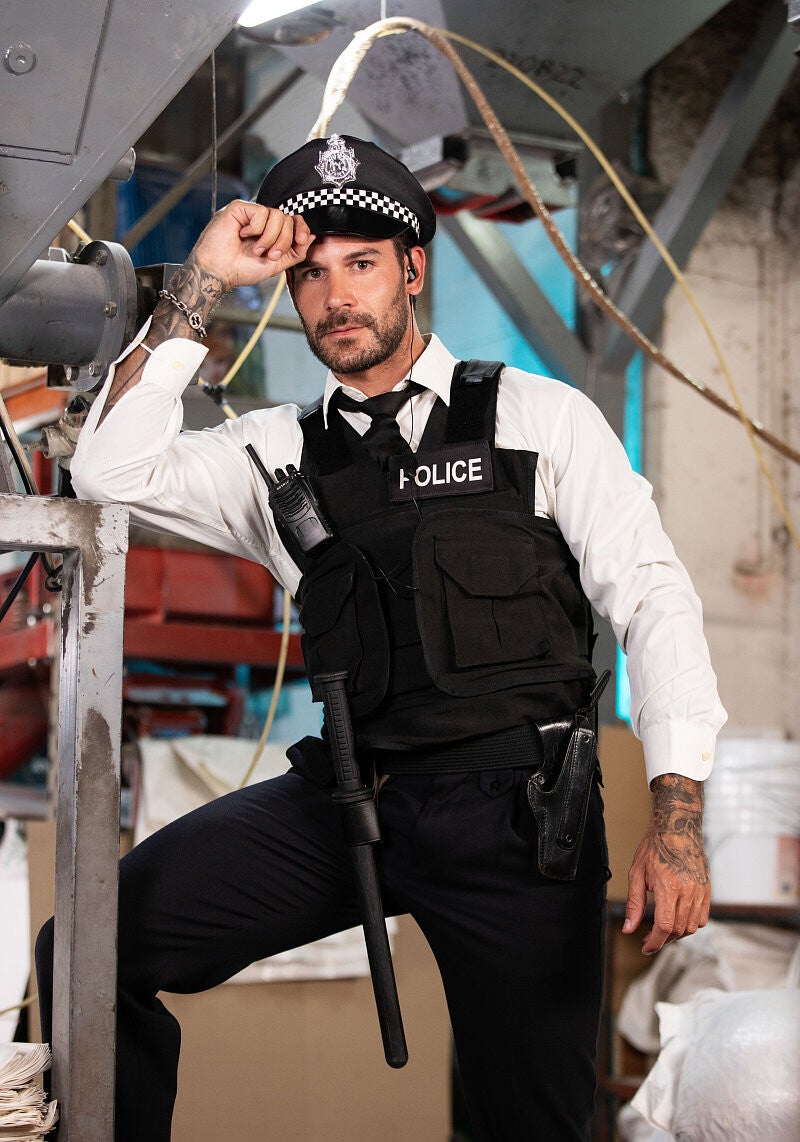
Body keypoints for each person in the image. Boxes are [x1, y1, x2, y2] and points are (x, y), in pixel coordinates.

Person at [37, 134, 726, 1141]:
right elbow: (105, 472)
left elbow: (655, 601)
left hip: (518, 817)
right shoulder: (271, 451)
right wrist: (205, 277)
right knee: (89, 945)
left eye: (361, 264)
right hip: (349, 798)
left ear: (413, 269)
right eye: (310, 274)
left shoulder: (540, 417)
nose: (335, 298)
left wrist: (676, 820)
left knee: (528, 1122)